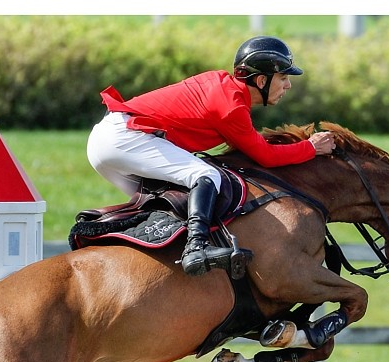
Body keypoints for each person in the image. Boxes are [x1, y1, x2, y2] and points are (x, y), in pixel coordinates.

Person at [87, 36, 336, 277]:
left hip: (109, 140)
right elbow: (266, 156)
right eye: (283, 77)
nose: (288, 85)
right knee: (206, 175)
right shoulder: (232, 107)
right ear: (261, 80)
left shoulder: (222, 85)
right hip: (124, 139)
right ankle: (196, 248)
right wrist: (312, 148)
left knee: (169, 200)